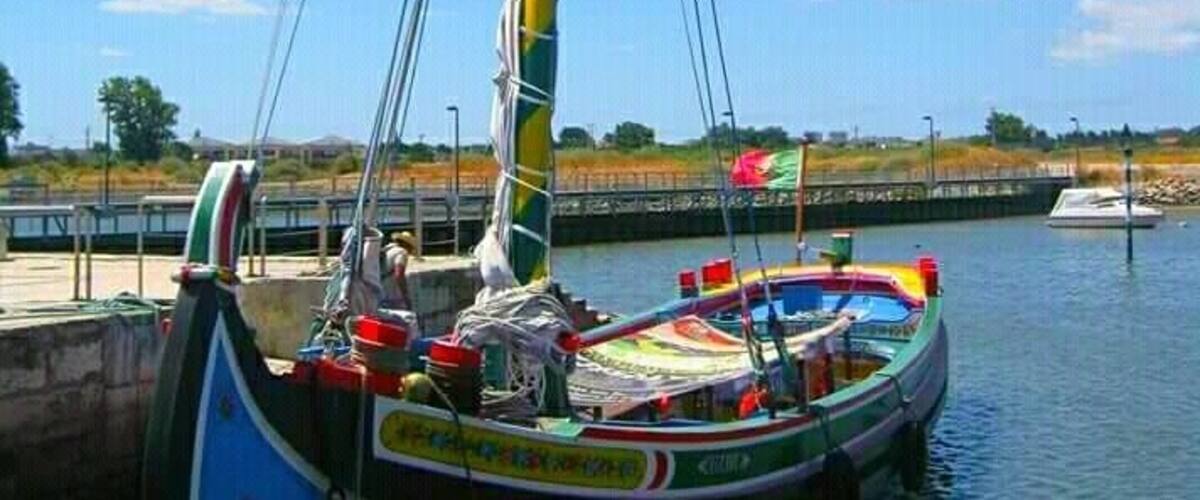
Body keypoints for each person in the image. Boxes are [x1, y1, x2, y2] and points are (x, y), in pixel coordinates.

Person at [381, 231, 417, 310]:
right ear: (407, 244)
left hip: (379, 293)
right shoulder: (401, 252)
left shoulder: (387, 249)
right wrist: (405, 294)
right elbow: (399, 274)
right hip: (391, 295)